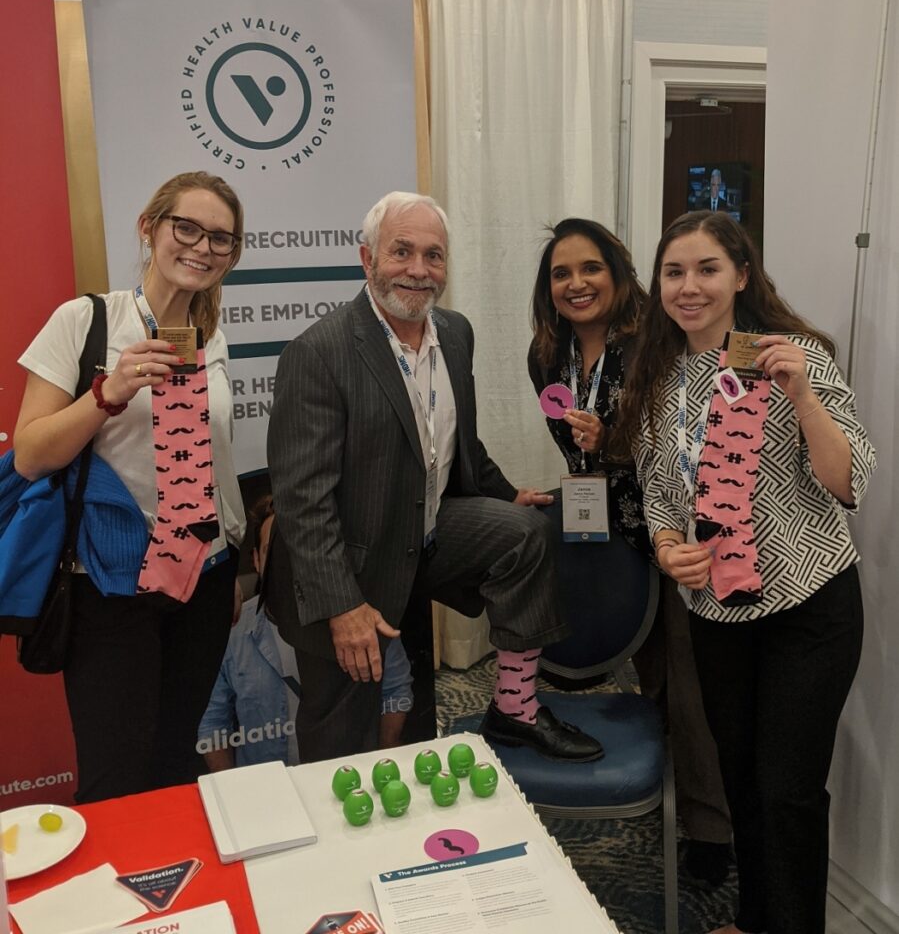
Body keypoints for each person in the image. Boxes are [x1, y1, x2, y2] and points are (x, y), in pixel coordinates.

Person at [266, 191, 603, 764]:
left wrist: (506, 494)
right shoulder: (319, 353)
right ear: (367, 258)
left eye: (434, 255)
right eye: (402, 252)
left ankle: (515, 709)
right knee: (343, 740)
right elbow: (302, 501)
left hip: (421, 534)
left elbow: (455, 439)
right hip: (346, 562)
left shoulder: (454, 331)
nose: (419, 270)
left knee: (523, 534)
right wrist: (342, 607)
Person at [616, 210, 875, 934]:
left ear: (740, 276)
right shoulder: (659, 376)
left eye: (706, 269)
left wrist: (802, 397)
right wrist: (667, 548)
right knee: (740, 780)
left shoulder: (795, 356)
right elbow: (658, 492)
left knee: (788, 792)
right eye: (673, 272)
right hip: (717, 613)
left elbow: (848, 481)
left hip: (809, 606)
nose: (688, 286)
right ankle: (758, 919)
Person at [14, 171, 247, 803]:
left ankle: (173, 870)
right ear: (149, 227)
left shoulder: (212, 338)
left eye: (220, 238)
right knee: (116, 779)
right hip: (112, 583)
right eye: (187, 228)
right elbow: (30, 454)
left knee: (175, 762)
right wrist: (108, 392)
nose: (202, 247)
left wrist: (231, 557)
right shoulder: (86, 320)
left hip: (203, 577)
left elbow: (217, 462)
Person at [528, 217, 733, 889]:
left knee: (688, 680)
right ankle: (662, 786)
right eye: (561, 273)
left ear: (617, 273)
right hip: (601, 534)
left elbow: (678, 438)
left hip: (668, 530)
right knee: (648, 675)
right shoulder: (546, 356)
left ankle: (709, 827)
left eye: (590, 267)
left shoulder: (657, 341)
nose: (576, 283)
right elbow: (574, 449)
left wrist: (611, 438)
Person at [198, 495, 413, 770]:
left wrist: (382, 765)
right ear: (256, 560)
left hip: (349, 777)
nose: (288, 566)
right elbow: (212, 722)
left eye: (295, 553)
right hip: (267, 786)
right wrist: (230, 788)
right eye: (275, 553)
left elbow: (395, 691)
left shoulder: (363, 617)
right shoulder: (231, 632)